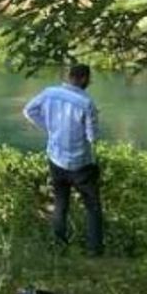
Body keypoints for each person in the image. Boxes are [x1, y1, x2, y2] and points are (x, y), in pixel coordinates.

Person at [23, 64, 103, 256]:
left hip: (56, 159)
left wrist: (49, 128)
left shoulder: (49, 93)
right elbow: (92, 137)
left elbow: (28, 111)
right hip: (81, 164)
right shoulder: (87, 103)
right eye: (89, 79)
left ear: (69, 76)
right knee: (93, 207)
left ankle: (59, 245)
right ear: (83, 78)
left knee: (60, 203)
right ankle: (94, 249)